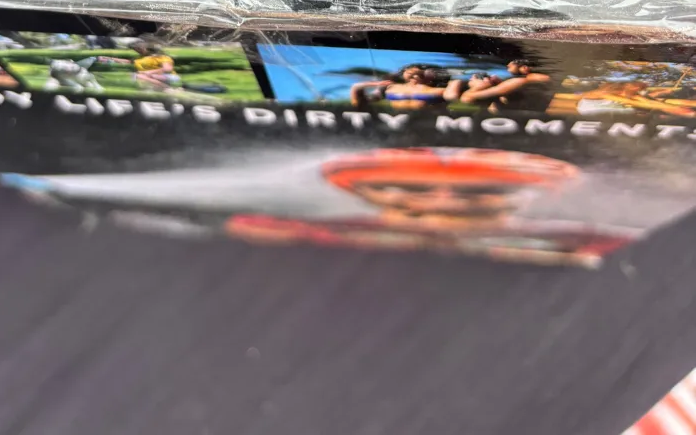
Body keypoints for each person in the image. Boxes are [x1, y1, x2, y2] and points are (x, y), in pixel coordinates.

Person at [224, 148, 637, 265]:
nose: (444, 198)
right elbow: (244, 225)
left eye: (485, 190)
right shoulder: (296, 228)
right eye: (409, 186)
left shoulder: (586, 239)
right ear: (363, 192)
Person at [349, 64, 464, 108]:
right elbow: (359, 102)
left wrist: (455, 83)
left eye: (420, 73)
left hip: (426, 124)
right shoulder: (391, 88)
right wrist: (368, 85)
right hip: (396, 122)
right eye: (411, 72)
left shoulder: (441, 90)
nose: (415, 76)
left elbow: (452, 97)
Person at [459, 65, 555, 112]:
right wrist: (480, 86)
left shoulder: (517, 82)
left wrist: (480, 86)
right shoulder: (495, 105)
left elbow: (467, 97)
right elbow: (466, 98)